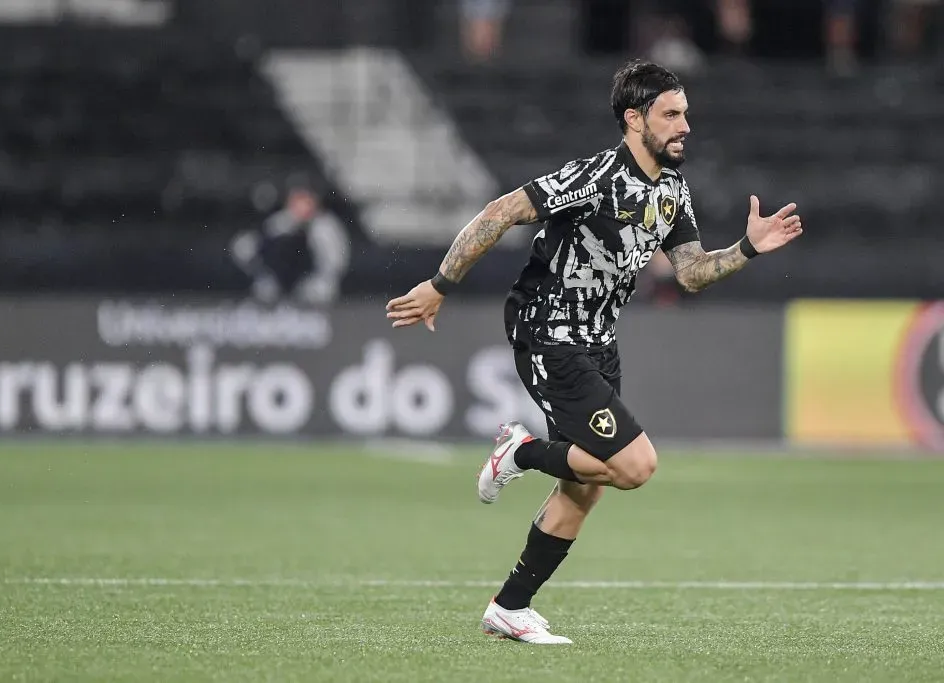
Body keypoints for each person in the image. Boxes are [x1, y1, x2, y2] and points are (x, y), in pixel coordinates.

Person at [385, 60, 803, 645]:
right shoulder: (596, 178)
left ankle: (509, 607)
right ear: (634, 120)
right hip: (549, 332)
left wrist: (748, 249)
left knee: (588, 484)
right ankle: (522, 452)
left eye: (686, 113)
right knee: (636, 465)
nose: (686, 126)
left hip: (598, 340)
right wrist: (439, 285)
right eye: (672, 115)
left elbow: (690, 273)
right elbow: (500, 212)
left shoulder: (672, 190)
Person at [229, 178, 350, 306]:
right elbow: (252, 248)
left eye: (305, 199)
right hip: (280, 283)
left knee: (321, 290)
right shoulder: (280, 222)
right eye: (297, 199)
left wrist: (319, 279)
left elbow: (336, 263)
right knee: (265, 288)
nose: (301, 204)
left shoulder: (326, 226)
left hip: (312, 283)